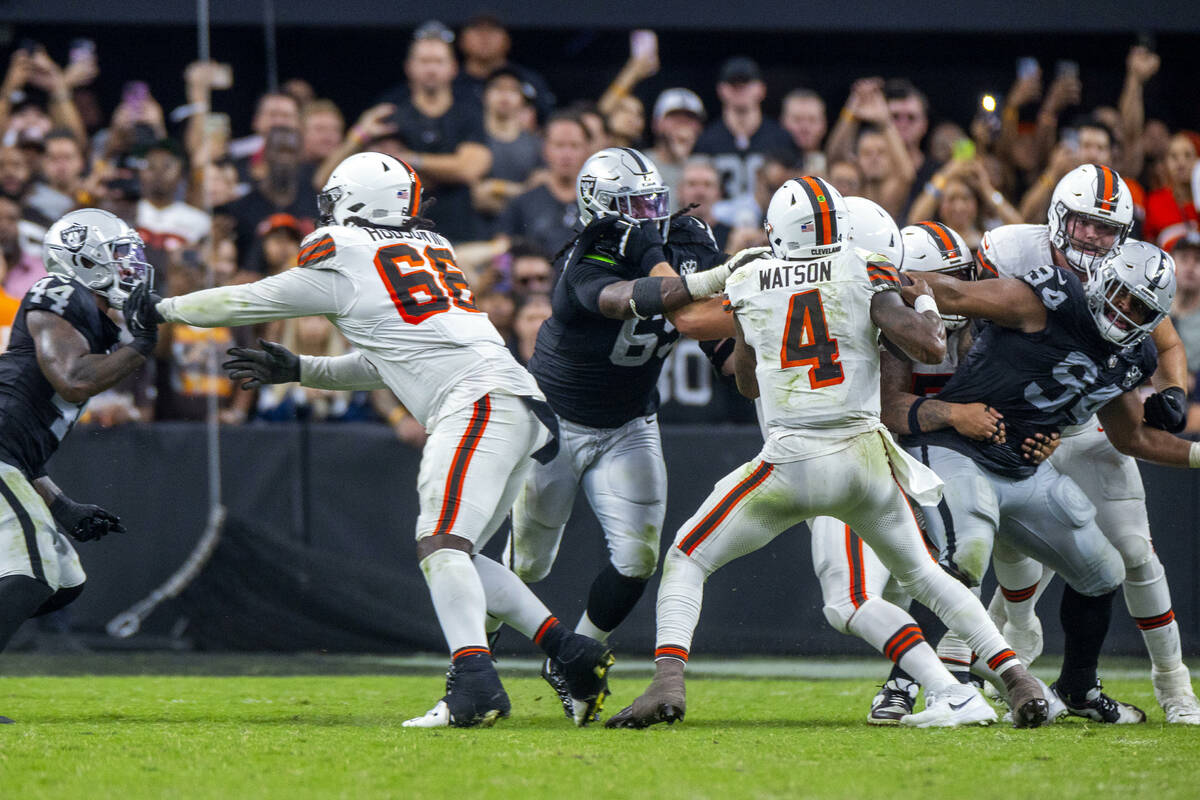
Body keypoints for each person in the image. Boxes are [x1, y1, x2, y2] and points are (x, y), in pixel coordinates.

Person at [155, 152, 616, 728]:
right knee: (459, 553)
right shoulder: (429, 249)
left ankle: (474, 684)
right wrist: (302, 368)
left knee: (441, 542)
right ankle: (572, 655)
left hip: (476, 402)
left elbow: (248, 299)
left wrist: (161, 308)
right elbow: (389, 358)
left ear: (354, 200)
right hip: (511, 400)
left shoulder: (345, 253)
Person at [606, 176, 1047, 730]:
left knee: (688, 556)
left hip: (791, 459)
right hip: (866, 459)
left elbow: (747, 386)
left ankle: (668, 682)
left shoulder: (749, 274)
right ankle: (1014, 678)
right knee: (927, 576)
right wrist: (928, 298)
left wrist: (754, 329)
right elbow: (931, 344)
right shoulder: (864, 267)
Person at [502, 147, 754, 712]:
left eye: (653, 202)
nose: (649, 216)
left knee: (639, 559)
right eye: (633, 206)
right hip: (555, 422)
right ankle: (472, 661)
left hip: (629, 422)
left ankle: (579, 660)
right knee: (527, 565)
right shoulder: (584, 258)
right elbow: (634, 301)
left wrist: (749, 334)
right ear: (599, 208)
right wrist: (697, 275)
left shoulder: (686, 239)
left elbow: (718, 343)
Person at [972, 165, 1200, 723]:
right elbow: (969, 328)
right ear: (1057, 216)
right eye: (1084, 223)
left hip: (1092, 428)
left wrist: (1173, 390)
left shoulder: (1125, 274)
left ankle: (1175, 689)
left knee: (1136, 556)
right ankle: (997, 671)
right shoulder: (1012, 251)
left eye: (1106, 227)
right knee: (1013, 567)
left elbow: (1164, 345)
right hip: (1023, 434)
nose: (1094, 238)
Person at [0, 208, 158, 722]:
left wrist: (62, 505)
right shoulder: (57, 292)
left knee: (65, 580)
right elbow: (72, 379)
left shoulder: (94, 318)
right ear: (84, 259)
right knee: (33, 572)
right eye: (120, 255)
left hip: (13, 461)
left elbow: (26, 438)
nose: (133, 265)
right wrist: (142, 345)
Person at [375, 30, 492, 241]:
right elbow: (385, 172)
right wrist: (449, 168)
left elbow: (469, 169)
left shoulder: (469, 113)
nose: (431, 69)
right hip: (400, 232)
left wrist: (412, 159)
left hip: (461, 233)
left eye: (438, 61)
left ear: (453, 67)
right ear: (409, 67)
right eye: (424, 61)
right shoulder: (391, 114)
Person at [693, 57, 795, 205]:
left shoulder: (781, 138)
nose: (740, 89)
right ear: (721, 89)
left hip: (769, 218)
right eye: (733, 84)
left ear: (761, 89)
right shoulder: (706, 140)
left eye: (746, 83)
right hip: (718, 222)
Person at [497, 113, 589, 262]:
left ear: (587, 150)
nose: (566, 154)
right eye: (559, 145)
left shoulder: (599, 204)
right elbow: (502, 256)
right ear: (545, 149)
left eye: (574, 146)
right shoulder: (522, 203)